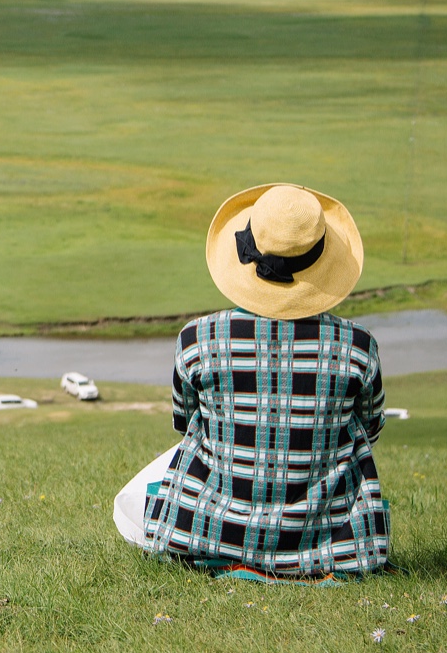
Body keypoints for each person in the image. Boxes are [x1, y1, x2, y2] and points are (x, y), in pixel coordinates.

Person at [113, 182, 389, 581]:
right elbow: (371, 427)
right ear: (323, 259)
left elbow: (184, 421)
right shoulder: (358, 346)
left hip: (210, 529)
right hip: (331, 537)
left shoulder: (197, 339)